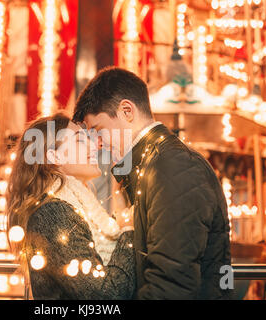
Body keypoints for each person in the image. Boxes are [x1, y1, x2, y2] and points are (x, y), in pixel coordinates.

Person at [73, 66, 232, 300]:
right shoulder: (153, 165)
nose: (96, 144)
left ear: (127, 111)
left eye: (98, 130)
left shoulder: (172, 166)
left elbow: (171, 285)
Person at [7, 113, 135, 300]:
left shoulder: (75, 205)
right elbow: (105, 296)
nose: (94, 146)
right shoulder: (53, 214)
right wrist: (128, 232)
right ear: (53, 156)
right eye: (80, 141)